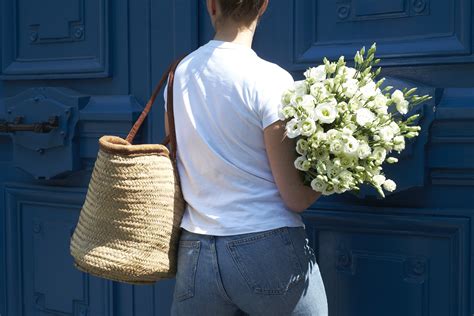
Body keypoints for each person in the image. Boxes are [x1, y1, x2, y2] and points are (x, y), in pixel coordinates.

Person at [163, 0, 328, 315]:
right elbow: (295, 198)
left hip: (196, 253)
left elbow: (176, 159)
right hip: (266, 248)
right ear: (263, 6)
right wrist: (335, 172)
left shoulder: (179, 75)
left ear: (212, 5)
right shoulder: (271, 80)